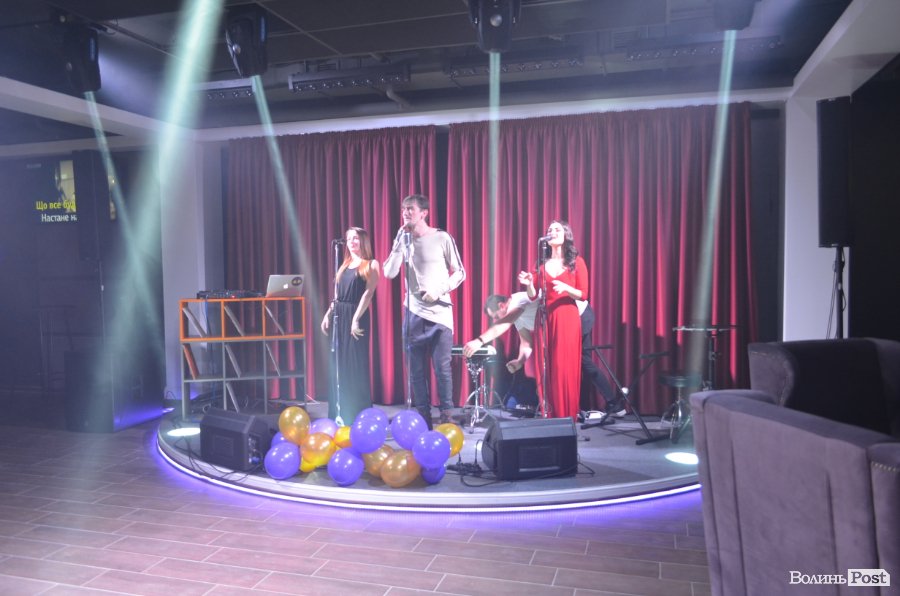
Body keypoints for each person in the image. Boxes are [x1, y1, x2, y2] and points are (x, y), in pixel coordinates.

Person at [462, 287, 623, 418]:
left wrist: (479, 341)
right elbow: (526, 343)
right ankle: (614, 404)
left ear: (501, 305)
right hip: (577, 317)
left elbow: (504, 324)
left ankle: (566, 409)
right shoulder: (517, 318)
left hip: (578, 315)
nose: (496, 320)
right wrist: (520, 361)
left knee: (563, 362)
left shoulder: (518, 300)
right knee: (584, 362)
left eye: (496, 316)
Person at [383, 194, 465, 428]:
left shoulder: (441, 237)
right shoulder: (404, 240)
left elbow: (460, 272)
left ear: (424, 213)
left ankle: (447, 415)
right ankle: (423, 418)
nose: (406, 213)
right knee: (416, 372)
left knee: (442, 369)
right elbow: (389, 273)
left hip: (440, 313)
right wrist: (398, 243)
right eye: (403, 209)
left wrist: (438, 291)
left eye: (410, 209)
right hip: (414, 312)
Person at [526, 220, 588, 420]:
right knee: (547, 366)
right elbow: (533, 296)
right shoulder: (540, 264)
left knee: (563, 366)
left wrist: (567, 288)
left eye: (557, 229)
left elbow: (584, 294)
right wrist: (529, 284)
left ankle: (567, 416)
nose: (552, 232)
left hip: (566, 317)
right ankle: (549, 414)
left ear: (566, 234)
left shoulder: (576, 262)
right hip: (545, 317)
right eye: (549, 230)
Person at [320, 227, 380, 425]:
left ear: (363, 241)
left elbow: (368, 294)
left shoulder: (371, 264)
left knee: (355, 364)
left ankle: (358, 413)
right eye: (349, 239)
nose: (351, 242)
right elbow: (337, 295)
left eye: (355, 238)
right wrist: (328, 314)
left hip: (357, 315)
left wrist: (355, 318)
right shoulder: (344, 265)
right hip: (340, 315)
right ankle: (340, 412)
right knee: (340, 364)